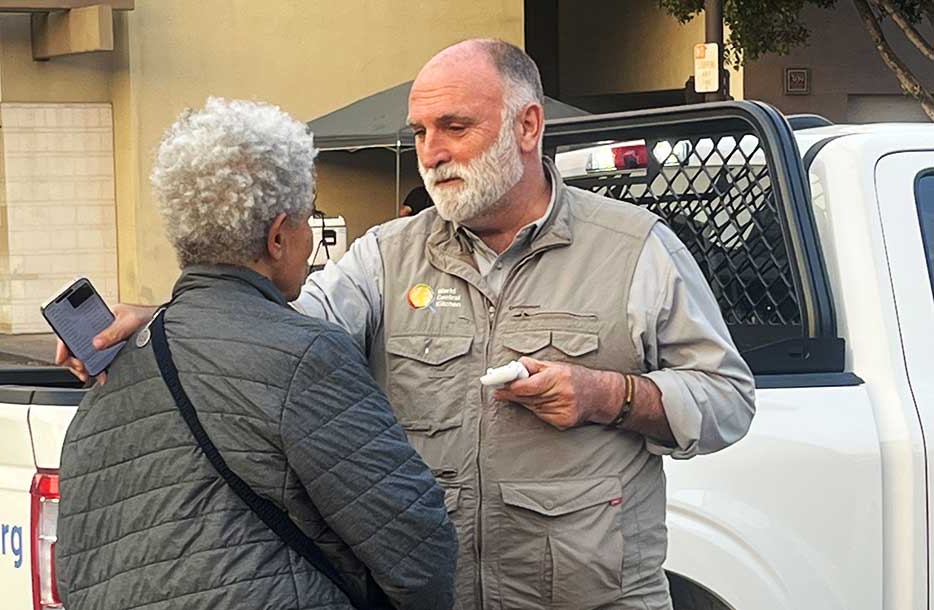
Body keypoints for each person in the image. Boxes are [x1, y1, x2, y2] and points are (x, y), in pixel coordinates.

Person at [59, 40, 756, 609]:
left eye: (456, 127)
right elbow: (281, 332)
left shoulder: (634, 247)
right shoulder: (386, 256)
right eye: (420, 131)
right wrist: (176, 316)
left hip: (590, 599)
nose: (432, 151)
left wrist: (611, 395)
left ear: (527, 126)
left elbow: (728, 398)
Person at [54, 97, 457, 610]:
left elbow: (78, 568)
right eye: (309, 222)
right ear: (277, 237)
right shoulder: (307, 355)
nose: (311, 244)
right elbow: (418, 550)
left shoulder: (115, 370)